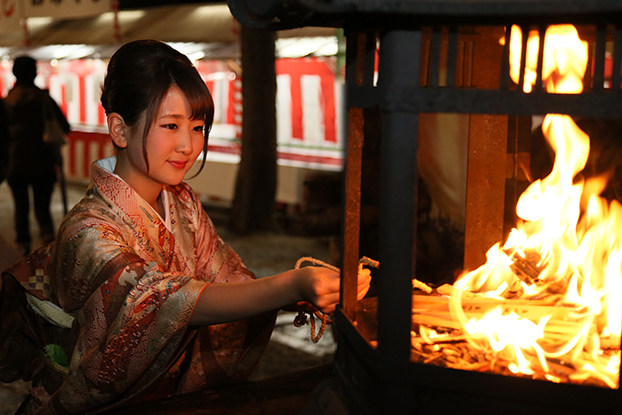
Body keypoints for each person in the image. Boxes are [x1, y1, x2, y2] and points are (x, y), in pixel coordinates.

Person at [0, 39, 371, 414]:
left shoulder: (183, 202)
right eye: (171, 125)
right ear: (119, 129)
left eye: (197, 127)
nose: (188, 146)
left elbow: (229, 281)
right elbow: (166, 303)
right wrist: (290, 284)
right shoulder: (88, 231)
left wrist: (303, 290)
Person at [3, 55, 70, 256]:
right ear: (34, 73)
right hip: (43, 163)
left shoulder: (6, 103)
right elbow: (64, 127)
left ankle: (23, 250)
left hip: (15, 163)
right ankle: (46, 249)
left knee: (20, 209)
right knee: (43, 208)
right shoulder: (44, 99)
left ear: (15, 73)